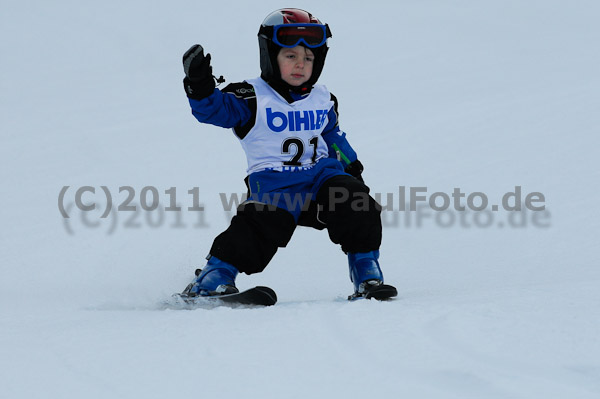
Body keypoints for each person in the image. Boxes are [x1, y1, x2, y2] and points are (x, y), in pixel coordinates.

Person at [182, 8, 396, 300]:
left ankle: (366, 271)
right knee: (262, 222)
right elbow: (214, 110)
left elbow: (332, 135)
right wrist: (200, 85)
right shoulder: (251, 96)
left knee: (355, 201)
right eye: (290, 56)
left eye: (309, 58)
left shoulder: (323, 98)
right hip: (275, 184)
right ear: (270, 56)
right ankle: (214, 276)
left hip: (322, 178)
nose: (300, 65)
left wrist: (353, 167)